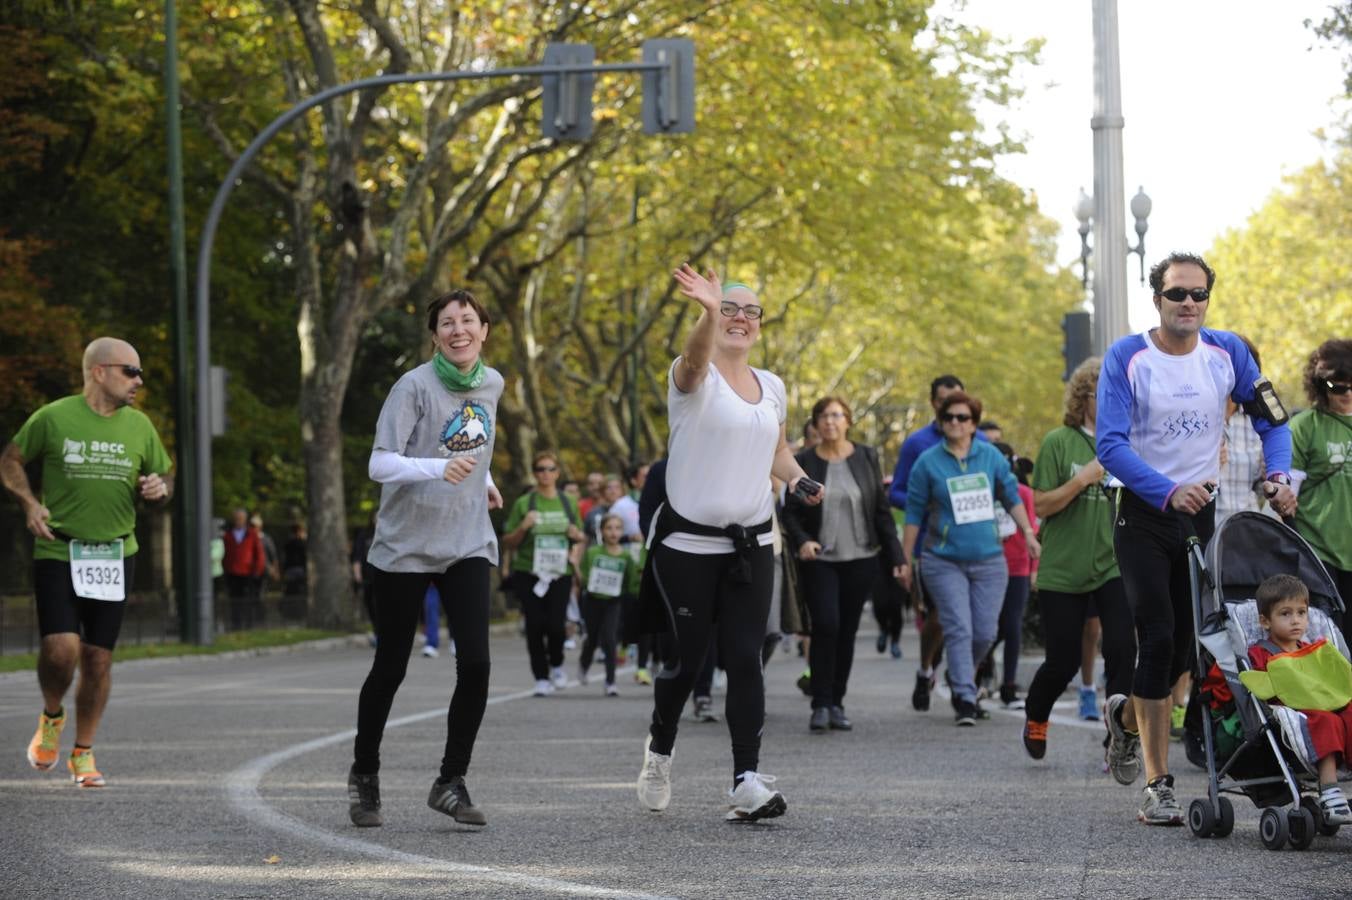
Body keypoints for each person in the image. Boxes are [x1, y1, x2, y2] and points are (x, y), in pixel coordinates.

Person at [1097, 251, 1295, 826]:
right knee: (1156, 636)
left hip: (1201, 514)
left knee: (1187, 645)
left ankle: (1126, 719)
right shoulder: (1129, 356)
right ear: (1156, 298)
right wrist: (1166, 491)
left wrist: (1278, 476)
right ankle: (1159, 785)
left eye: (1198, 295)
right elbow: (1109, 445)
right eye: (1177, 294)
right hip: (1143, 511)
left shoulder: (1228, 351)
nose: (1188, 304)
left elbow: (1273, 421)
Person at [636, 266, 820, 822]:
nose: (739, 319)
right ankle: (660, 748)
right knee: (688, 663)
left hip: (752, 544)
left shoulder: (774, 386)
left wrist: (797, 478)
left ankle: (745, 780)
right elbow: (695, 361)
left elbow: (777, 450)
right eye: (729, 310)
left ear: (760, 325)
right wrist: (707, 312)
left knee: (745, 659)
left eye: (749, 312)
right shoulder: (692, 377)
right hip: (687, 547)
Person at [349, 288, 505, 829]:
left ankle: (450, 781)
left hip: (465, 540)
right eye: (446, 322)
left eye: (468, 320)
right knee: (390, 666)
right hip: (405, 546)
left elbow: (473, 445)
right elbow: (379, 464)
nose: (458, 329)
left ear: (484, 330)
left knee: (478, 664)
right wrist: (440, 470)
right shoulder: (412, 386)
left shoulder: (493, 383)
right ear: (435, 334)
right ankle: (364, 775)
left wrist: (486, 480)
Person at [2, 337, 172, 787]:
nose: (139, 380)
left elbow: (163, 474)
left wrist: (159, 487)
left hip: (116, 553)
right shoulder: (53, 417)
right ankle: (52, 717)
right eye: (130, 371)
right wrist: (28, 504)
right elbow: (11, 460)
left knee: (98, 659)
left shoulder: (139, 426)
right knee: (62, 649)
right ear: (99, 372)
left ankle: (83, 752)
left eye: (139, 373)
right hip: (60, 547)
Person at [1020, 357, 1136, 762]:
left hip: (1112, 564)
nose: (1109, 401)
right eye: (1101, 394)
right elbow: (1043, 505)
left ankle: (1118, 735)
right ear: (1083, 397)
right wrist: (1081, 480)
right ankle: (1036, 715)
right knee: (1063, 662)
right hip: (1063, 568)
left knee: (1123, 649)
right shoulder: (1058, 441)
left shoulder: (1126, 442)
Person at [900, 391, 1039, 725]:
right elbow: (914, 514)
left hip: (990, 559)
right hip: (943, 560)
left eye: (962, 418)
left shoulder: (989, 457)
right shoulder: (928, 462)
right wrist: (905, 559)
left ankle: (958, 674)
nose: (955, 423)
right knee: (959, 627)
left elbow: (1010, 495)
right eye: (948, 418)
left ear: (973, 423)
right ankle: (964, 695)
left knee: (985, 633)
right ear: (941, 421)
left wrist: (1029, 533)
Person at [783, 396, 903, 733]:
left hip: (862, 559)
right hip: (821, 560)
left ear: (848, 420)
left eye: (836, 415)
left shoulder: (867, 456)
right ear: (816, 424)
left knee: (847, 632)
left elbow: (881, 511)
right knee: (826, 625)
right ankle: (819, 703)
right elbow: (789, 512)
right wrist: (803, 539)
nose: (830, 421)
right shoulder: (803, 461)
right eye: (823, 416)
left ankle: (837, 702)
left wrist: (897, 558)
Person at [889, 375, 990, 712]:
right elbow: (897, 492)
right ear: (935, 404)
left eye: (960, 406)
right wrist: (931, 501)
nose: (954, 417)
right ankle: (926, 668)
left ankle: (962, 679)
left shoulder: (981, 445)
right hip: (934, 548)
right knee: (942, 618)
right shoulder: (918, 445)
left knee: (973, 622)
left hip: (976, 547)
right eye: (947, 405)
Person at [1244, 574, 1352, 826]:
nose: (1296, 620)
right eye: (1285, 614)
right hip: (1292, 711)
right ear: (1265, 621)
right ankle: (1329, 789)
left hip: (1323, 700)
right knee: (1326, 721)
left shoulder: (1311, 647)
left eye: (1302, 613)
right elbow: (1262, 686)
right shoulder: (1261, 651)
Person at [502, 449, 586, 696]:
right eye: (541, 469)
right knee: (535, 626)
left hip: (559, 572)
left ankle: (557, 664)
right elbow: (508, 542)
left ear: (558, 473)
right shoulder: (524, 503)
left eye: (551, 469)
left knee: (556, 625)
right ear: (535, 473)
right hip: (529, 572)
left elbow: (581, 536)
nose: (546, 474)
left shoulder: (567, 502)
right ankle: (540, 676)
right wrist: (523, 527)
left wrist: (576, 535)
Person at [1291, 338, 1352, 648]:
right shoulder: (1303, 427)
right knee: (1326, 641)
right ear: (1320, 383)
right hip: (1316, 549)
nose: (1347, 394)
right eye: (1338, 387)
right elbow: (1286, 497)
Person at [988, 442, 1038, 709]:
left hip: (1018, 566)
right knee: (987, 627)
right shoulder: (982, 490)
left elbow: (1031, 530)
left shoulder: (1023, 493)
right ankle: (978, 669)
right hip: (987, 565)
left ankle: (1009, 684)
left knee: (1012, 625)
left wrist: (1033, 569)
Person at [577, 514, 639, 696]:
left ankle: (610, 682)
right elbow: (584, 580)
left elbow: (630, 582)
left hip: (614, 602)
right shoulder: (593, 553)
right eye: (609, 528)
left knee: (610, 639)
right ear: (602, 531)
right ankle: (584, 664)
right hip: (593, 601)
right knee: (593, 639)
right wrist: (575, 568)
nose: (613, 532)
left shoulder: (627, 556)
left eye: (617, 528)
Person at [223, 507, 265, 629]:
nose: (238, 521)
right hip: (233, 573)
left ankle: (248, 624)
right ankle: (236, 625)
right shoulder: (228, 535)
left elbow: (259, 553)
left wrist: (257, 570)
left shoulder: (252, 534)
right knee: (234, 600)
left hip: (248, 573)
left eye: (241, 519)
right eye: (236, 519)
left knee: (247, 600)